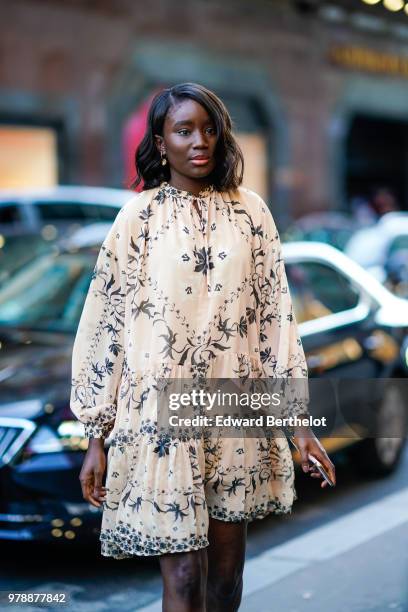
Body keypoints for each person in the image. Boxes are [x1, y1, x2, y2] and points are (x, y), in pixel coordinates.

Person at [70, 82, 336, 612]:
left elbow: (275, 321)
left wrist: (297, 423)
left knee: (226, 574)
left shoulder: (252, 214)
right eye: (184, 130)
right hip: (158, 421)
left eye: (210, 129)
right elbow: (105, 328)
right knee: (185, 575)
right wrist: (96, 434)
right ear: (160, 140)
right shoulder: (136, 221)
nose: (200, 141)